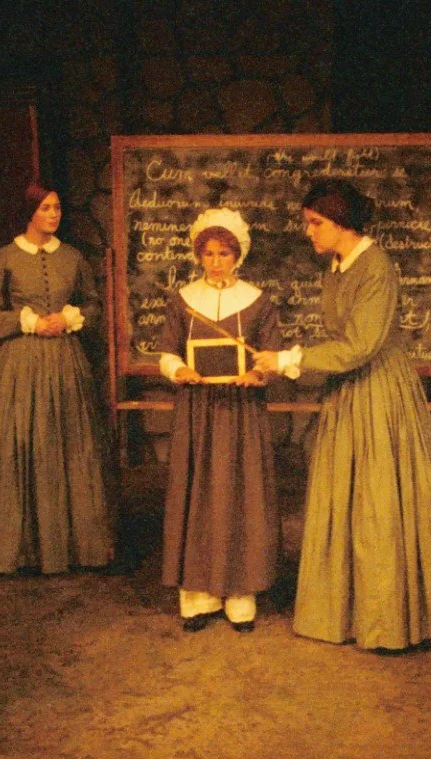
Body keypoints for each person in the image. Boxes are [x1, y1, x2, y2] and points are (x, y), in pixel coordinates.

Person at [255, 179, 431, 650]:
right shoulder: (338, 267)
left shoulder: (376, 267)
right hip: (348, 393)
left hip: (380, 393)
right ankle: (343, 612)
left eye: (316, 223)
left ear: (342, 221)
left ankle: (385, 619)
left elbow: (361, 346)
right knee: (344, 497)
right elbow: (343, 346)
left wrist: (288, 358)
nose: (310, 233)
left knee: (378, 501)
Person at [0, 183, 115, 575]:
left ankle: (76, 547)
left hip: (66, 361)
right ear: (30, 213)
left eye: (58, 208)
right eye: (46, 208)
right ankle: (21, 550)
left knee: (71, 447)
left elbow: (93, 304)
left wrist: (69, 318)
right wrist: (27, 321)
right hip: (20, 364)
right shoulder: (5, 258)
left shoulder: (72, 257)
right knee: (22, 446)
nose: (54, 215)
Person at [156, 208, 281, 633]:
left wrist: (258, 373)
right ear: (199, 255)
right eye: (208, 253)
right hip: (198, 411)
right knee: (198, 494)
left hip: (241, 412)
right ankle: (198, 597)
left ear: (237, 255)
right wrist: (178, 370)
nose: (215, 261)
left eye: (223, 253)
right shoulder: (183, 300)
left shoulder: (259, 302)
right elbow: (167, 352)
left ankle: (239, 596)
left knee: (239, 495)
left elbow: (270, 355)